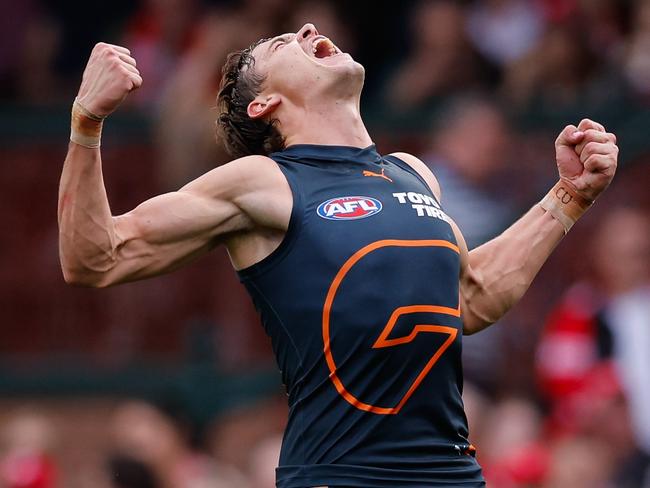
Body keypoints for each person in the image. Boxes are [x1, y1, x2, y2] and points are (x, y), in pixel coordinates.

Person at [58, 23, 619, 488]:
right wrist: (87, 118)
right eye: (280, 45)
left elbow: (470, 298)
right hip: (340, 475)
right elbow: (94, 257)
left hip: (451, 474)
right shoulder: (262, 181)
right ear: (264, 104)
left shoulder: (413, 174)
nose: (307, 30)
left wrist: (568, 196)